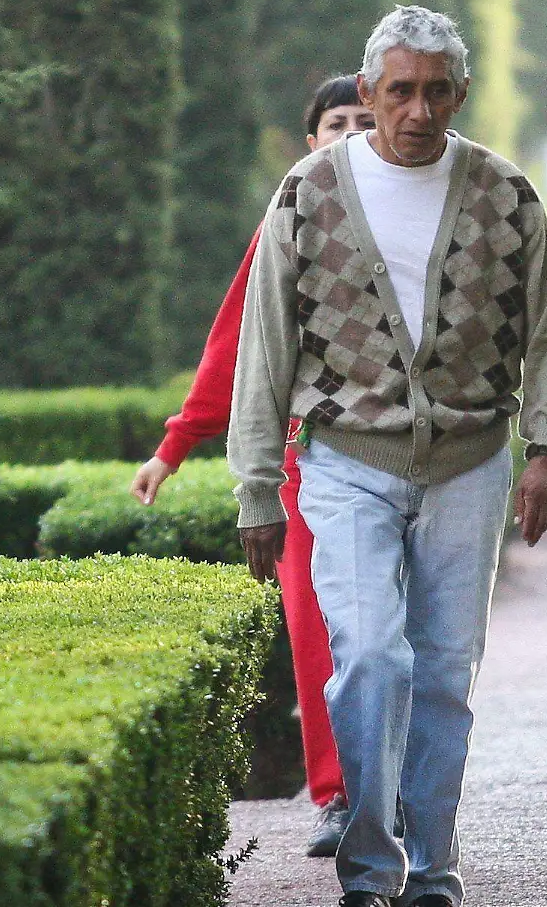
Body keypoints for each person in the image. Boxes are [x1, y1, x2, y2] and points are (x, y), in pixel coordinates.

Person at [229, 5, 547, 907]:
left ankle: (432, 878)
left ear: (458, 95)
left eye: (436, 92)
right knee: (370, 660)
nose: (418, 110)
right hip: (347, 457)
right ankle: (367, 873)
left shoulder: (503, 193)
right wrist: (257, 486)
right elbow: (265, 347)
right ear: (370, 91)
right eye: (399, 91)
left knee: (446, 673)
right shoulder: (308, 194)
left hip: (470, 461)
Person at [129, 74, 372, 858]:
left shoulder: (421, 216)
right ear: (312, 140)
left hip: (404, 456)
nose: (351, 132)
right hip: (309, 459)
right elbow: (236, 341)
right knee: (316, 633)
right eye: (337, 122)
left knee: (390, 637)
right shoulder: (288, 220)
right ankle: (338, 798)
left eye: (366, 120)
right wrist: (175, 444)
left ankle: (403, 793)